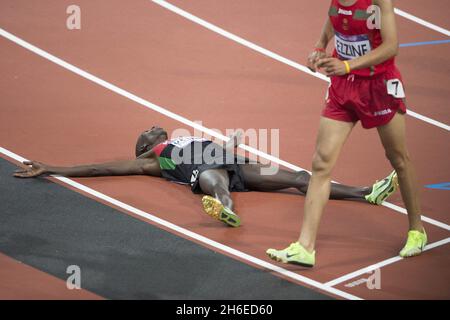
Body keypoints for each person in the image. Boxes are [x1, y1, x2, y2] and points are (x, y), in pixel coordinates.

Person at [266, 0, 426, 268]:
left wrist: (349, 65)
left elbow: (391, 46)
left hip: (379, 86)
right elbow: (335, 19)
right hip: (343, 88)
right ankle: (305, 247)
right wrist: (319, 47)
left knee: (398, 158)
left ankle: (417, 231)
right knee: (321, 162)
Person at [14, 126, 397, 227]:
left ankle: (367, 192)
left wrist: (230, 142)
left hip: (232, 163)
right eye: (146, 132)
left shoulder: (185, 138)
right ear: (146, 147)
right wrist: (51, 167)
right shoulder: (155, 159)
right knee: (212, 180)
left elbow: (218, 150)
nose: (151, 127)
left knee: (297, 177)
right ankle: (227, 210)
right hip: (209, 172)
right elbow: (100, 168)